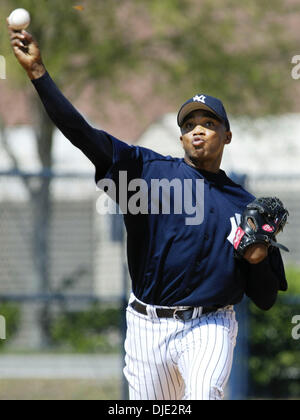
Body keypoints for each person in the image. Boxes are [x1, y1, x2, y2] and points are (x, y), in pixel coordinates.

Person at [7, 24, 288, 400]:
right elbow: (82, 133)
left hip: (210, 324)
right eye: (189, 125)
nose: (198, 130)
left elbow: (266, 299)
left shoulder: (243, 204)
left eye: (209, 123)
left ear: (228, 135)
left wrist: (259, 257)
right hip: (146, 324)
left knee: (205, 394)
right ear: (181, 137)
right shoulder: (147, 174)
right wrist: (39, 75)